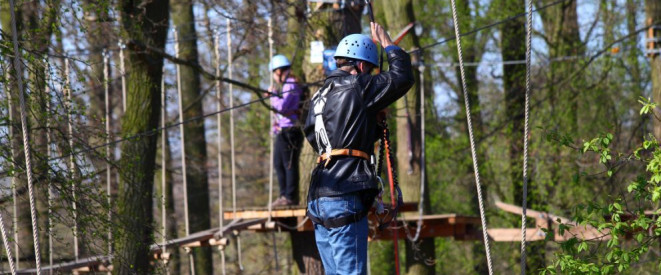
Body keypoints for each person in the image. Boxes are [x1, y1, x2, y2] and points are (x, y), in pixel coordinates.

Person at [304, 22, 414, 274]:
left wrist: (370, 123)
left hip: (320, 195)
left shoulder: (318, 96)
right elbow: (402, 78)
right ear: (362, 66)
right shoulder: (358, 86)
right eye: (371, 70)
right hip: (344, 192)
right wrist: (388, 44)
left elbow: (323, 139)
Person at [268, 54, 304, 207]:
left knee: (288, 164)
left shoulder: (291, 85)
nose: (275, 78)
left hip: (290, 131)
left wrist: (272, 95)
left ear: (281, 72)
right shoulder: (286, 86)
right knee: (278, 163)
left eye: (275, 74)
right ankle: (284, 195)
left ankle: (289, 196)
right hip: (283, 130)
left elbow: (282, 107)